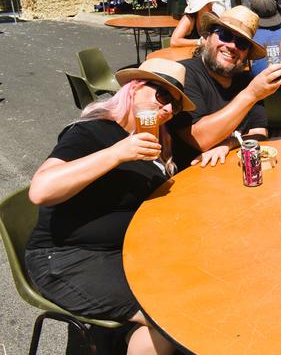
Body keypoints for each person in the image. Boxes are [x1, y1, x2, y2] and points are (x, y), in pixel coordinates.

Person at [25, 59, 196, 355]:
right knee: (175, 317)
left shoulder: (156, 140)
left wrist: (227, 143)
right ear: (134, 88)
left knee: (194, 289)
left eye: (175, 106)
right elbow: (41, 190)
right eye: (163, 96)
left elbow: (200, 147)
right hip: (68, 259)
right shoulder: (93, 132)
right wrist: (117, 154)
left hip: (123, 254)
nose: (168, 109)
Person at [166, 6, 281, 169]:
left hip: (235, 172)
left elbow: (260, 133)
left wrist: (229, 144)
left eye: (242, 43)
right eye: (225, 35)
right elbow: (200, 139)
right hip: (191, 178)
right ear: (208, 37)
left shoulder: (246, 80)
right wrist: (251, 95)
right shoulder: (183, 74)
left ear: (246, 54)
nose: (232, 46)